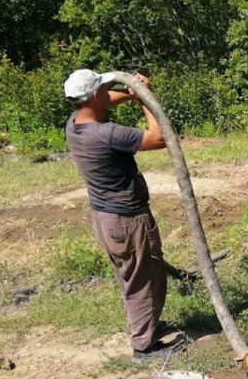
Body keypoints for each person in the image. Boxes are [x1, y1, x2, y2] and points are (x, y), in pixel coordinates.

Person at [63, 69, 185, 362]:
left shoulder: (74, 125)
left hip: (106, 218)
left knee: (133, 276)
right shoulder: (108, 134)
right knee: (144, 280)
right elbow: (159, 138)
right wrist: (145, 98)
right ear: (95, 96)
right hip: (128, 221)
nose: (109, 94)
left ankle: (146, 326)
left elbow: (103, 102)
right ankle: (145, 347)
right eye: (104, 90)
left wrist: (130, 92)